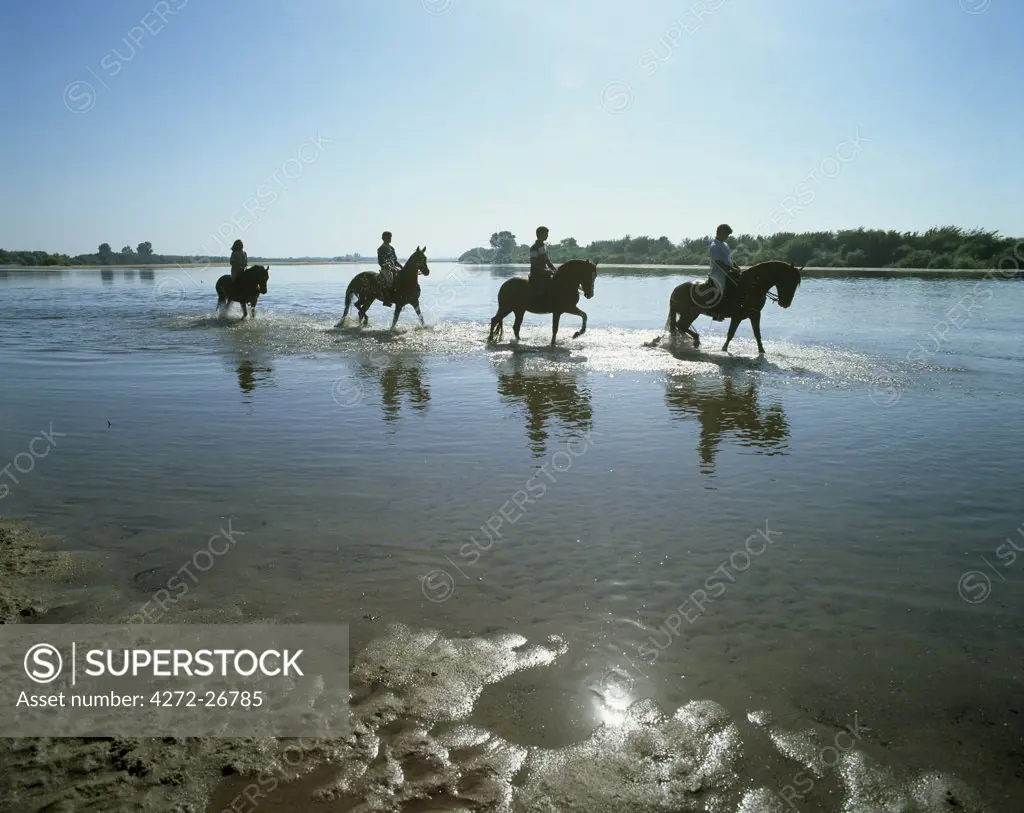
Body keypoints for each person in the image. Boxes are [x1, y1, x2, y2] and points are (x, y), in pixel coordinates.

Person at [705, 223, 742, 315]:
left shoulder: (725, 244)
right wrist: (732, 269)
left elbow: (729, 259)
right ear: (720, 233)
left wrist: (736, 267)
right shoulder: (714, 246)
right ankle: (717, 313)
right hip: (718, 274)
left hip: (728, 272)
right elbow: (718, 263)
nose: (727, 237)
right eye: (726, 234)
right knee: (722, 290)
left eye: (728, 235)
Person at [529, 226, 557, 299]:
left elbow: (547, 261)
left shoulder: (544, 246)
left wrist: (555, 270)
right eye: (546, 234)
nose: (547, 236)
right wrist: (545, 271)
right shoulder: (534, 247)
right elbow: (533, 263)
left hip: (545, 272)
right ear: (540, 234)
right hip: (537, 273)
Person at [377, 231, 402, 307]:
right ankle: (386, 299)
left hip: (394, 268)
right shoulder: (381, 249)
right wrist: (388, 266)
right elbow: (380, 261)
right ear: (384, 238)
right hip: (386, 269)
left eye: (390, 237)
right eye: (388, 237)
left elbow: (395, 260)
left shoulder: (392, 248)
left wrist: (401, 267)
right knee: (389, 280)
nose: (390, 239)